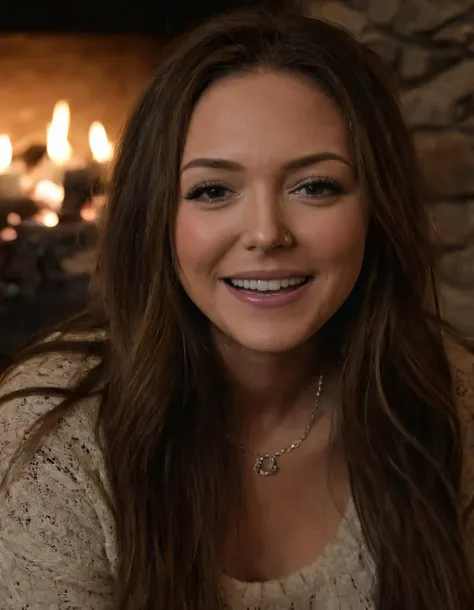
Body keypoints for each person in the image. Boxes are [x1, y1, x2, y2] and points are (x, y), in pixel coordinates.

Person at [0, 7, 473, 610]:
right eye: (213, 191)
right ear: (157, 219)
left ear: (375, 210)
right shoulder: (55, 442)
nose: (266, 234)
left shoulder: (452, 401)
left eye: (315, 186)